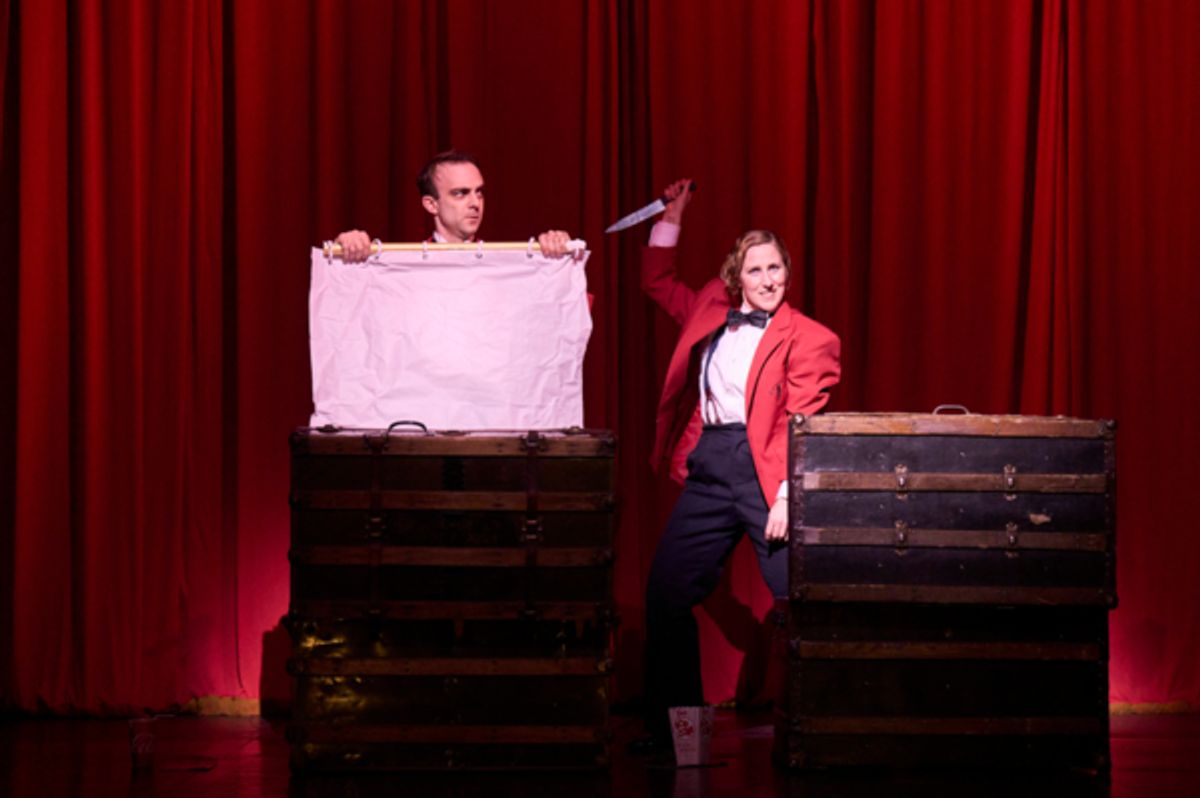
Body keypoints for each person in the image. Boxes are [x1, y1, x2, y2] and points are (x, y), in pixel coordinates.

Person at [632, 178, 841, 755]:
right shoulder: (709, 307)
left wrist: (786, 497)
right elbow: (655, 281)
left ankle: (822, 732)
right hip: (710, 467)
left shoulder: (811, 339)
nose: (769, 280)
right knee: (666, 594)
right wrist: (671, 216)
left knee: (798, 599)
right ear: (736, 277)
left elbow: (802, 422)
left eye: (776, 269)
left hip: (766, 473)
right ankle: (679, 739)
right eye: (756, 271)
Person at [334, 150, 576, 260]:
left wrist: (557, 260)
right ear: (431, 204)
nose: (475, 203)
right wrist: (345, 252)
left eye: (479, 192)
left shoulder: (505, 265)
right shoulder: (407, 266)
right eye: (460, 194)